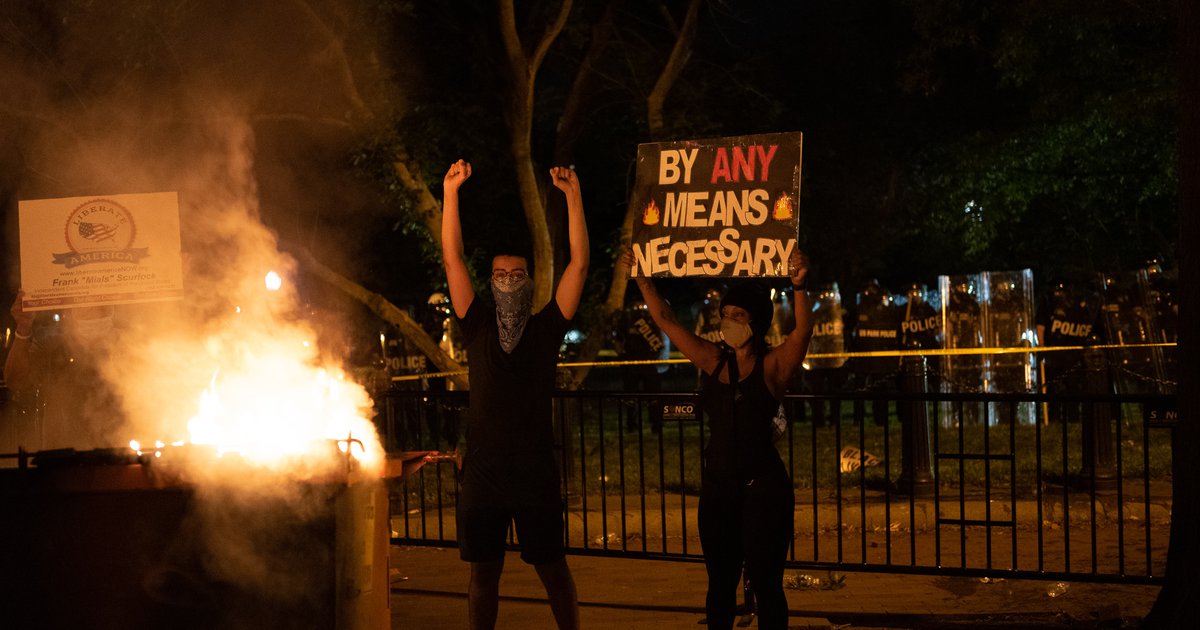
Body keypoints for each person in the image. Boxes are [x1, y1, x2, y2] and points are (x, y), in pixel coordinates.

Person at [625, 248, 813, 630]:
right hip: (718, 493)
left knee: (767, 585)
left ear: (757, 321)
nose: (728, 322)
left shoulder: (772, 366)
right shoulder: (713, 359)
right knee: (719, 586)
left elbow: (802, 333)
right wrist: (643, 279)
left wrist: (799, 286)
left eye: (738, 315)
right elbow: (666, 319)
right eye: (725, 314)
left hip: (763, 493)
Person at [441, 158, 587, 630]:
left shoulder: (546, 329)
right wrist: (450, 194)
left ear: (530, 281)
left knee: (553, 572)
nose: (507, 282)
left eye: (516, 275)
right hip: (483, 476)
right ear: (490, 282)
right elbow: (453, 259)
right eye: (500, 275)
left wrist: (573, 197)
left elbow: (579, 264)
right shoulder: (477, 325)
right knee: (483, 575)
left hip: (533, 476)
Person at [4, 292, 123, 452]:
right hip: (62, 456)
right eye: (85, 306)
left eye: (100, 306)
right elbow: (15, 381)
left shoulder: (132, 346)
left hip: (122, 454)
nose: (92, 309)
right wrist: (23, 329)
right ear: (70, 310)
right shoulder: (51, 345)